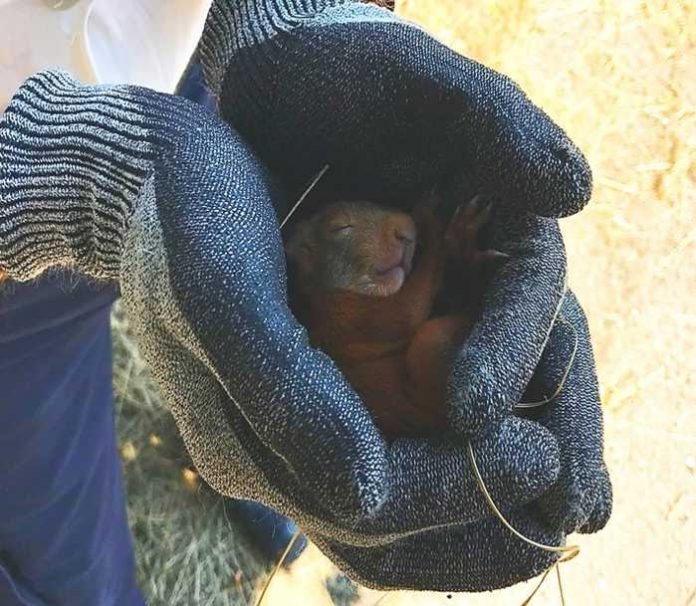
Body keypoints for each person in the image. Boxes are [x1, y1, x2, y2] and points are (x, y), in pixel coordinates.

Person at [0, 0, 612, 604]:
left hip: (189, 69)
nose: (394, 233)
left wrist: (280, 17)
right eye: (345, 233)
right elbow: (396, 318)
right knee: (72, 543)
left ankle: (263, 469)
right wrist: (54, 164)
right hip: (24, 267)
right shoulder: (350, 305)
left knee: (237, 332)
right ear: (307, 253)